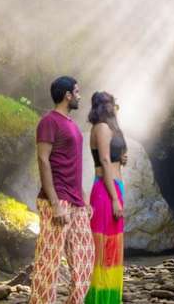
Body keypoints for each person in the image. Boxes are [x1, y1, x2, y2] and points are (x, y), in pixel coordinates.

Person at [29, 76, 95, 304]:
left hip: (76, 201)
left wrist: (84, 195)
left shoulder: (71, 124)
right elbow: (43, 159)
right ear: (67, 95)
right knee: (49, 263)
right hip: (56, 201)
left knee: (85, 260)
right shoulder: (49, 121)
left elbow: (74, 162)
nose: (79, 95)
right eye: (77, 91)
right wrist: (55, 203)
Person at [85, 91, 128, 304]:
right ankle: (100, 300)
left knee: (113, 246)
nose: (114, 107)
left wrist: (121, 157)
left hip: (113, 188)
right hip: (104, 191)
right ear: (104, 106)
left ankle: (112, 298)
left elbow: (111, 157)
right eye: (111, 103)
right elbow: (103, 160)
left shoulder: (108, 128)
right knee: (103, 248)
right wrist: (114, 199)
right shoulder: (101, 128)